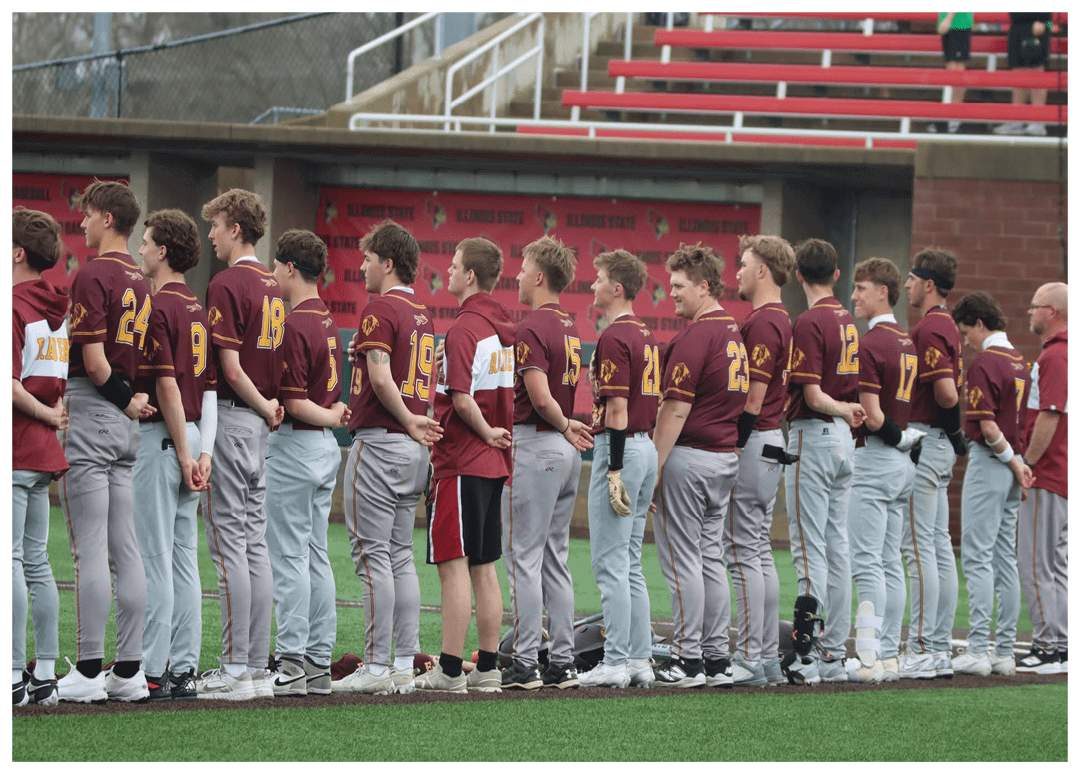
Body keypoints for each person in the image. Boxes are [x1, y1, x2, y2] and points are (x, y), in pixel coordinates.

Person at [57, 181, 155, 704]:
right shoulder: (141, 277)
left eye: (89, 214)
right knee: (125, 546)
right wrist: (129, 403)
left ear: (109, 219)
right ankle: (130, 670)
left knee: (91, 546)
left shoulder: (93, 273)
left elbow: (94, 364)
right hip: (123, 420)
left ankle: (90, 670)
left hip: (98, 407)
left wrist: (122, 400)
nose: (82, 222)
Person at [335, 220, 442, 696]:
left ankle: (378, 665)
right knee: (400, 555)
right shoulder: (422, 313)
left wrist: (408, 419)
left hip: (383, 440)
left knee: (374, 556)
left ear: (388, 262)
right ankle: (401, 661)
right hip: (411, 448)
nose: (362, 266)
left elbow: (380, 378)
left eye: (368, 258)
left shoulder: (381, 307)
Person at [415, 237, 515, 693]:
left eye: (454, 265)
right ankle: (489, 668)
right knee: (484, 566)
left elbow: (461, 398)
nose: (448, 271)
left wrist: (485, 430)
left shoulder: (464, 327)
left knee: (453, 566)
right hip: (493, 463)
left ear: (470, 275)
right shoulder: (502, 326)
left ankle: (451, 670)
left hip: (461, 459)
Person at [196, 189, 285, 701]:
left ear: (236, 228)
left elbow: (229, 369)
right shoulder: (272, 282)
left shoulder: (227, 282)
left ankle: (235, 669)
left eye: (217, 224)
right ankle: (253, 667)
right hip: (258, 425)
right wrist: (268, 408)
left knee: (232, 544)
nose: (211, 233)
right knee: (253, 544)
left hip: (235, 416)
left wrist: (262, 406)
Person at [650, 242, 748, 689]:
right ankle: (715, 657)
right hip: (723, 457)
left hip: (690, 458)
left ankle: (687, 659)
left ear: (704, 286)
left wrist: (654, 466)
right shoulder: (732, 331)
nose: (671, 293)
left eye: (679, 285)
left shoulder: (698, 334)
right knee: (710, 559)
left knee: (683, 561)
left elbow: (675, 409)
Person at [500, 236, 593, 691]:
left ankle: (524, 663)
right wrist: (567, 428)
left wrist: (565, 424)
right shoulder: (569, 325)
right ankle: (562, 661)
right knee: (555, 559)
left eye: (523, 268)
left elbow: (539, 397)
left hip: (539, 442)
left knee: (524, 558)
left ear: (539, 276)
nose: (517, 276)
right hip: (564, 450)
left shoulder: (533, 324)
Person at [132, 209, 215, 702]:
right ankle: (183, 670)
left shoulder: (159, 305)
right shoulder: (198, 308)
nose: (141, 249)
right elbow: (208, 389)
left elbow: (166, 385)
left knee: (156, 559)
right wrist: (203, 451)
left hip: (167, 440)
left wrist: (186, 454)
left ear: (163, 251)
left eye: (146, 242)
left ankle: (152, 671)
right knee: (184, 560)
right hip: (193, 436)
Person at [265, 230, 350, 697]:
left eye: (277, 265)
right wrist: (333, 417)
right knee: (315, 554)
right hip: (322, 448)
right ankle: (317, 662)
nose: (273, 273)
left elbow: (295, 402)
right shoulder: (327, 319)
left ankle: (293, 662)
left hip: (298, 445)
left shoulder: (296, 322)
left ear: (291, 268)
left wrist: (331, 416)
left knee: (291, 557)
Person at [781, 238, 865, 686]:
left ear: (798, 275)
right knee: (837, 546)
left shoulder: (810, 320)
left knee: (809, 547)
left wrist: (842, 409)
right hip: (843, 442)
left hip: (816, 434)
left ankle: (806, 656)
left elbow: (812, 396)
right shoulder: (847, 317)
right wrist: (847, 411)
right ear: (836, 274)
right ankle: (833, 652)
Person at [578, 250, 659, 690]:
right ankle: (639, 659)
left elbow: (617, 409)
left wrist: (612, 470)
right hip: (645, 448)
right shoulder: (646, 333)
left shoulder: (615, 335)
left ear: (617, 288)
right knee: (629, 563)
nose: (593, 285)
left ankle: (614, 661)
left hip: (621, 447)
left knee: (610, 563)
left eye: (599, 278)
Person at [846, 257, 924, 685]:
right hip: (900, 462)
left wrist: (898, 438)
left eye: (861, 288)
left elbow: (873, 417)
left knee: (867, 561)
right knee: (890, 561)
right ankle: (889, 654)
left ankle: (869, 656)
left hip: (877, 456)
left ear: (883, 291)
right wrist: (905, 440)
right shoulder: (906, 340)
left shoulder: (873, 342)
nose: (854, 296)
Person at [950, 291, 1033, 677]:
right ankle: (1004, 651)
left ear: (980, 323)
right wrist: (1018, 464)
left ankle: (978, 649)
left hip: (993, 460)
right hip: (1014, 462)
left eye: (966, 331)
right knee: (1003, 557)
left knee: (978, 556)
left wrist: (1011, 462)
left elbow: (986, 426)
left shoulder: (986, 360)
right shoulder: (1020, 360)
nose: (965, 340)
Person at [726, 235, 794, 688]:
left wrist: (733, 446)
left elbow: (753, 397)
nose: (738, 271)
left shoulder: (765, 321)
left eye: (745, 263)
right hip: (771, 439)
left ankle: (752, 656)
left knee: (741, 551)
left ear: (763, 270)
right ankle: (766, 655)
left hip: (755, 440)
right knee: (757, 550)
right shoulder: (779, 317)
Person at [901, 248, 966, 680]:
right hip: (939, 443)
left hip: (927, 439)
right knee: (938, 546)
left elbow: (945, 392)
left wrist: (953, 427)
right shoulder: (946, 325)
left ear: (928, 283)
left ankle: (923, 647)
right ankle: (938, 646)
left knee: (919, 546)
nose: (907, 284)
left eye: (912, 278)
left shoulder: (930, 326)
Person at [12, 207, 68, 707]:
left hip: (17, 444)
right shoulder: (57, 309)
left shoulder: (13, 305)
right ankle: (44, 674)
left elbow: (9, 385)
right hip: (43, 449)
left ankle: (12, 675)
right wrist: (51, 415)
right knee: (36, 562)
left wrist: (47, 415)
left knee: (12, 561)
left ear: (17, 254)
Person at [1016, 282, 1068, 674]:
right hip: (1062, 473)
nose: (1030, 313)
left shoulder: (1056, 354)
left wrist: (1027, 464)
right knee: (1056, 565)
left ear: (1051, 312)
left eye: (1035, 307)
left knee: (1035, 563)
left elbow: (1050, 415)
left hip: (1048, 472)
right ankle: (1061, 644)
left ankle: (1051, 646)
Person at [993, 12, 1054, 136]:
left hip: (1038, 25)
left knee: (1037, 72)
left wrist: (1043, 21)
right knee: (1018, 73)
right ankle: (1016, 120)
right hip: (1017, 25)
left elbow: (1050, 18)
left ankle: (1038, 121)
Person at [932, 13, 973, 134]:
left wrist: (948, 19)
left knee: (956, 69)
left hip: (959, 24)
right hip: (952, 24)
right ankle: (950, 115)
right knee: (951, 68)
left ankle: (955, 117)